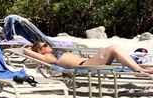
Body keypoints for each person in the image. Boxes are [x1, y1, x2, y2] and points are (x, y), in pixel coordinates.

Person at [25, 41, 153, 75]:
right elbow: (27, 51)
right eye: (45, 45)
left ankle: (138, 68)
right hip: (85, 65)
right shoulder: (48, 57)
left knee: (113, 49)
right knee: (113, 48)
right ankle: (139, 70)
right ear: (40, 50)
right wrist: (26, 49)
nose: (48, 46)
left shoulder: (52, 54)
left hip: (88, 62)